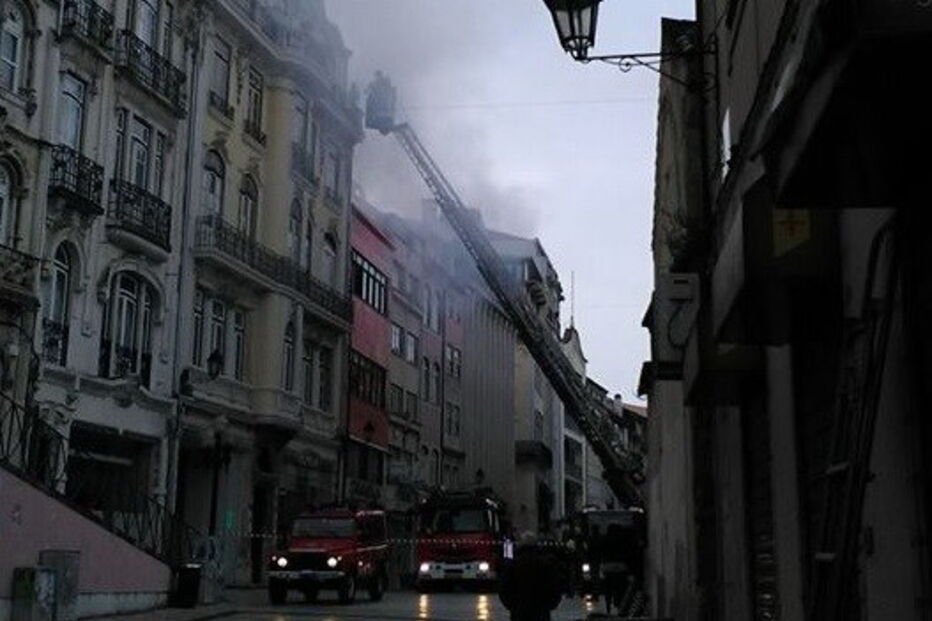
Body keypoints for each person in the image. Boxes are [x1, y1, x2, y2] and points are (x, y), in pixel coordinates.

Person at [499, 532, 563, 621]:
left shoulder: (513, 564)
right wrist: (549, 605)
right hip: (541, 611)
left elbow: (504, 588)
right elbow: (554, 586)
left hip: (519, 611)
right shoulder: (545, 564)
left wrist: (512, 606)